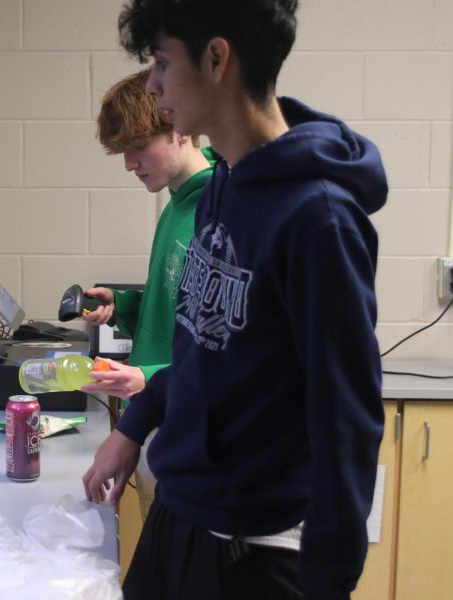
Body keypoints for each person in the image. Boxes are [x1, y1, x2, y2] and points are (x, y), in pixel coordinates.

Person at [82, 1, 387, 598]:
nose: (154, 85)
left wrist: (327, 581)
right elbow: (203, 351)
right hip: (186, 513)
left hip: (257, 551)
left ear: (217, 59)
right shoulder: (224, 183)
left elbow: (347, 419)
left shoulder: (318, 217)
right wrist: (134, 427)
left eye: (164, 63)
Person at [80, 67, 215, 519]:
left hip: (194, 435)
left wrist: (150, 377)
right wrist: (126, 306)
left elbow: (222, 349)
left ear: (180, 128)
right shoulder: (176, 204)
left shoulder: (220, 210)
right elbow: (176, 313)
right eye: (123, 151)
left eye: (139, 147)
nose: (129, 163)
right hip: (156, 415)